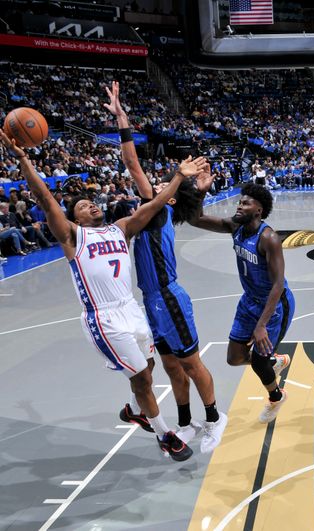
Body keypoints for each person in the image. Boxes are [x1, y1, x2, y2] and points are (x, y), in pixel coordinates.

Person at [0, 128, 206, 462]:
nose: (90, 205)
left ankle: (138, 411)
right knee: (141, 378)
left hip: (131, 310)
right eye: (82, 205)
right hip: (104, 317)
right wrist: (23, 159)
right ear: (73, 218)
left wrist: (178, 177)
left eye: (92, 202)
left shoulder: (119, 229)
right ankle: (164, 434)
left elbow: (154, 205)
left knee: (149, 367)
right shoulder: (71, 237)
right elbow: (44, 198)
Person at [104, 81, 227, 452]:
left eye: (160, 186)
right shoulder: (158, 214)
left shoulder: (157, 212)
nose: (153, 186)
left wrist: (123, 120)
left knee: (190, 364)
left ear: (167, 196)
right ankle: (187, 423)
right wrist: (199, 189)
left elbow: (130, 163)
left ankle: (215, 419)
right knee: (172, 368)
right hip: (153, 300)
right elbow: (185, 202)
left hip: (169, 297)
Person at [190, 183, 294, 425]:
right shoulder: (235, 226)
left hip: (275, 304)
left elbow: (278, 285)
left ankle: (276, 397)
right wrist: (202, 191)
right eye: (240, 202)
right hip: (249, 300)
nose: (240, 205)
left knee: (257, 362)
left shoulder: (269, 239)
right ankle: (273, 362)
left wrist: (261, 326)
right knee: (234, 358)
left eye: (246, 203)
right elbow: (196, 219)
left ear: (259, 211)